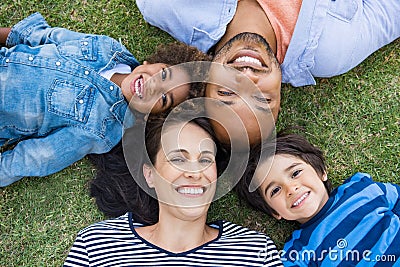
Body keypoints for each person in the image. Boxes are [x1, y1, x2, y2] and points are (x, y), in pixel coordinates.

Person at [0, 12, 211, 187]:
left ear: (154, 116)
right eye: (164, 74)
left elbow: (39, 156)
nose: (154, 85)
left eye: (164, 98)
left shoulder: (101, 128)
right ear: (153, 62)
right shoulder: (106, 48)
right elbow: (46, 37)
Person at [63, 112, 283, 266]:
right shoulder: (97, 245)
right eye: (178, 158)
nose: (195, 173)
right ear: (150, 175)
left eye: (206, 159)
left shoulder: (254, 252)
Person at [136, 0, 400, 87]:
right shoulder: (331, 50)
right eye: (261, 100)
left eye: (229, 93)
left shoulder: (164, 6)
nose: (248, 80)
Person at [236, 132, 400, 266]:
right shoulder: (297, 254)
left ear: (321, 171)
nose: (291, 189)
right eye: (275, 190)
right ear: (274, 212)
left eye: (295, 173)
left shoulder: (360, 189)